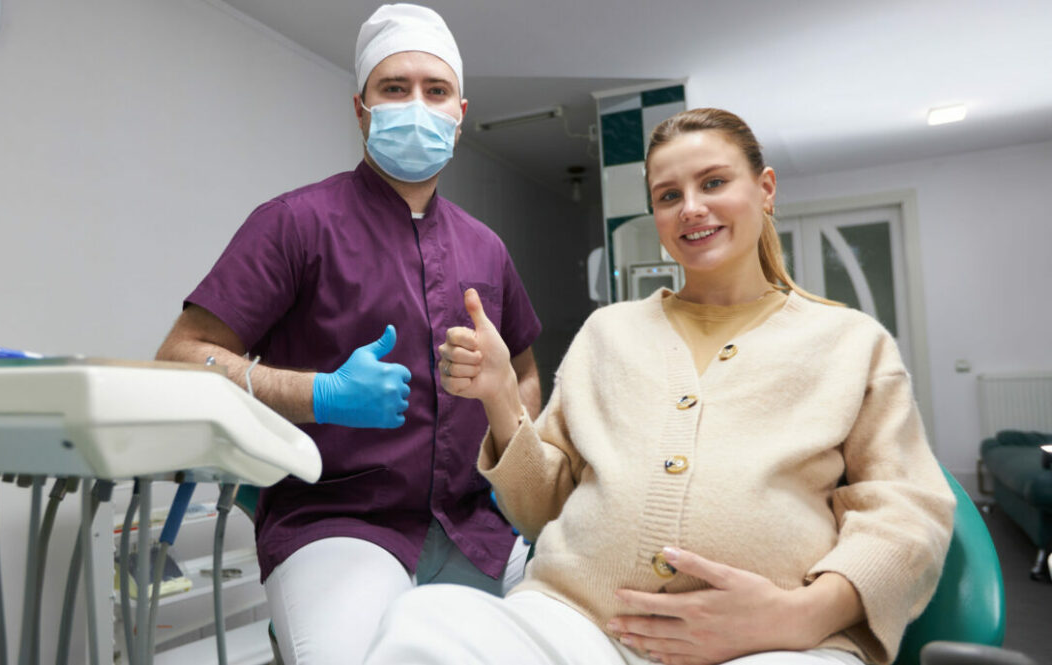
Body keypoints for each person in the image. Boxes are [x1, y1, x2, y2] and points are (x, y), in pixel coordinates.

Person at [364, 108, 956, 665]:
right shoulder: (608, 333)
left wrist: (802, 615)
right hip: (578, 624)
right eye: (669, 196)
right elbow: (544, 509)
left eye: (714, 182)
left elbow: (909, 514)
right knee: (421, 622)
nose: (691, 208)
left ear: (766, 189)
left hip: (772, 645)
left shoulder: (852, 344)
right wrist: (499, 396)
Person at [154, 4, 542, 663]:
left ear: (460, 111)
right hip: (338, 520)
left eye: (435, 90)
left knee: (576, 632)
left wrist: (506, 397)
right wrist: (319, 393)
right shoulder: (293, 224)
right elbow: (179, 359)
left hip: (476, 525)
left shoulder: (487, 248)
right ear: (361, 109)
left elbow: (526, 371)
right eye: (395, 89)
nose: (417, 105)